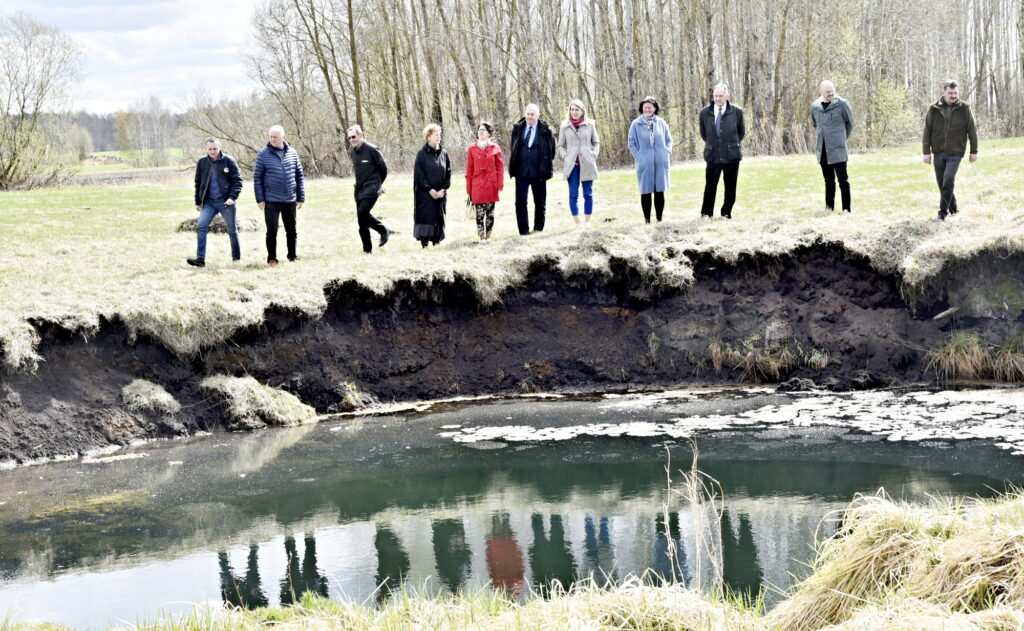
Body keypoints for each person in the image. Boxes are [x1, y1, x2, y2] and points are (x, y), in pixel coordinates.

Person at [923, 80, 978, 221]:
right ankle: (953, 207)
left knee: (948, 180)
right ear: (943, 93)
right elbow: (927, 130)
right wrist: (926, 152)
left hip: (956, 152)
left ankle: (942, 213)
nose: (953, 95)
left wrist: (974, 151)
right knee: (942, 183)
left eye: (955, 93)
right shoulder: (933, 108)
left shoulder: (965, 108)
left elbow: (972, 130)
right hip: (938, 152)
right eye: (950, 93)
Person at [188, 137, 243, 267]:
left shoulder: (229, 161)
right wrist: (198, 202)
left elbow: (237, 181)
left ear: (220, 147)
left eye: (215, 149)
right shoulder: (202, 162)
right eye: (210, 149)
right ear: (206, 149)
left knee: (232, 230)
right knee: (201, 227)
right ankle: (200, 259)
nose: (212, 151)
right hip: (209, 203)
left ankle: (236, 259)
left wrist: (232, 197)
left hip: (226, 202)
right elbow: (198, 183)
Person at [253, 125, 304, 264]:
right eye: (270, 137)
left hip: (289, 199)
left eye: (275, 137)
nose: (272, 139)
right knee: (272, 230)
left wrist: (300, 197)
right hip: (271, 200)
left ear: (283, 137)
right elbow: (257, 178)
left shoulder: (292, 152)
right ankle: (272, 258)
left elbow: (299, 175)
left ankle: (292, 256)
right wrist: (260, 199)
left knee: (291, 230)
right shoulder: (263, 154)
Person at [698, 84, 745, 219]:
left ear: (727, 96)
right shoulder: (704, 113)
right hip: (713, 155)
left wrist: (730, 145)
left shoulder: (737, 112)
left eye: (720, 96)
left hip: (731, 156)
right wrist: (714, 144)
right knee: (710, 186)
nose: (718, 98)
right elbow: (704, 133)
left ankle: (726, 213)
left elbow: (741, 132)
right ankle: (706, 213)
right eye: (715, 96)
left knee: (730, 187)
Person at [508, 103, 555, 235]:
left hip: (539, 172)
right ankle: (523, 231)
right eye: (527, 114)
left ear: (538, 115)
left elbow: (551, 151)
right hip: (521, 172)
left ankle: (538, 228)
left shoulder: (546, 131)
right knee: (520, 202)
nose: (529, 117)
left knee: (540, 203)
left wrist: (544, 164)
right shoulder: (517, 128)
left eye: (532, 114)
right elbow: (513, 148)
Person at [810, 80, 854, 214]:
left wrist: (841, 138)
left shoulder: (842, 104)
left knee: (843, 180)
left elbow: (849, 123)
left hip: (838, 149)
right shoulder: (815, 107)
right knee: (828, 181)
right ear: (821, 92)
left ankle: (846, 209)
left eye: (832, 91)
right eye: (827, 92)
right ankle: (829, 209)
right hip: (823, 150)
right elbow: (815, 125)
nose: (830, 94)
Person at [628, 96, 673, 223]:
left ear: (655, 108)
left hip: (660, 162)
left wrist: (666, 152)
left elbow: (669, 140)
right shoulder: (636, 124)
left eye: (650, 107)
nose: (647, 109)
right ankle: (647, 220)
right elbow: (631, 143)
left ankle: (659, 219)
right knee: (646, 192)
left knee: (659, 192)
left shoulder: (661, 123)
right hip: (645, 163)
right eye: (645, 107)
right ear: (642, 108)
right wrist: (639, 157)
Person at [347, 125, 392, 252]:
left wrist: (378, 184)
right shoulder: (353, 152)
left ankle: (383, 230)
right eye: (349, 138)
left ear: (361, 135)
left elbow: (383, 169)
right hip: (359, 189)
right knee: (361, 221)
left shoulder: (372, 150)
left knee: (363, 212)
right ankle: (367, 250)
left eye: (354, 137)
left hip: (372, 188)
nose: (351, 140)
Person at [557, 99, 600, 226]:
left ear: (582, 111)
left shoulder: (590, 125)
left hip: (587, 163)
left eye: (576, 109)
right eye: (572, 109)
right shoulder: (564, 126)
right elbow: (560, 145)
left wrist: (593, 155)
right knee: (573, 194)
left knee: (588, 194)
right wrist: (565, 156)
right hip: (572, 166)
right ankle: (577, 223)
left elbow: (596, 142)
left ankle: (587, 222)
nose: (574, 112)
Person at [412, 124, 451, 248]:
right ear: (428, 137)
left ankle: (436, 240)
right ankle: (424, 242)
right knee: (426, 215)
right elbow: (419, 174)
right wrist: (429, 189)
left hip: (440, 193)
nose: (438, 137)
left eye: (439, 134)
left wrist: (443, 189)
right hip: (425, 192)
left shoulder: (444, 153)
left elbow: (448, 172)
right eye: (435, 135)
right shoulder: (421, 154)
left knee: (439, 215)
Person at [465, 122, 504, 243]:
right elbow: (469, 169)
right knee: (479, 213)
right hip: (477, 184)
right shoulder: (472, 148)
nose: (480, 132)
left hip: (491, 183)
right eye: (479, 130)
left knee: (490, 213)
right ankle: (481, 237)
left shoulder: (495, 147)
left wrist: (500, 184)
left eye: (483, 130)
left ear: (489, 133)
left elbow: (500, 167)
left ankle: (488, 237)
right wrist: (469, 188)